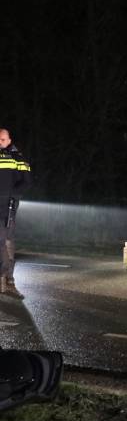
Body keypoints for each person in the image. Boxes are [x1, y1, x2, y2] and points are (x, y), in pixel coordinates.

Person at [0, 128, 32, 300]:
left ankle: (8, 281)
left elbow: (26, 181)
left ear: (9, 140)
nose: (0, 142)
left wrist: (12, 196)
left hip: (8, 207)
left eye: (3, 139)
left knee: (7, 242)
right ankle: (4, 281)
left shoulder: (17, 156)